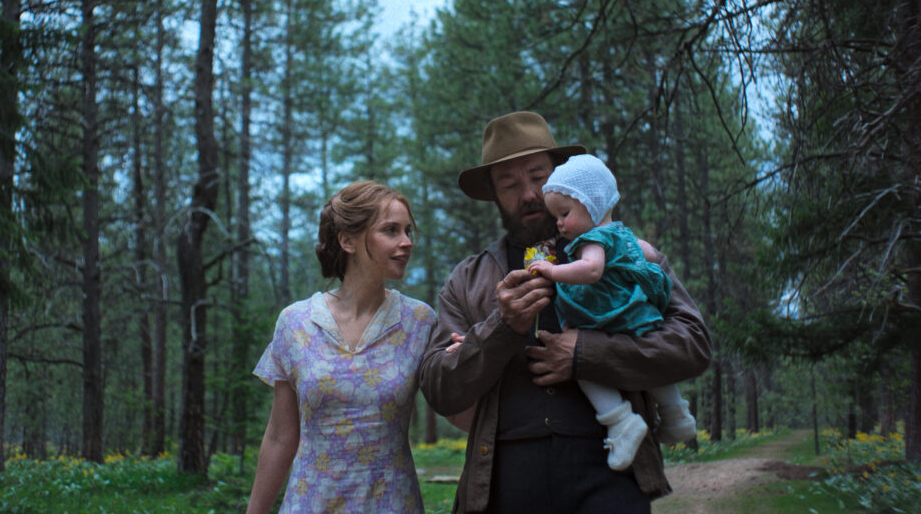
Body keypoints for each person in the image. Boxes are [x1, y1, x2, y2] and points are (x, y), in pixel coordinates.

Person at [419, 111, 711, 514]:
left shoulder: (621, 250)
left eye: (538, 177)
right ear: (494, 194)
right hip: (502, 484)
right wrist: (501, 326)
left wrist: (585, 354)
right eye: (509, 184)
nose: (529, 194)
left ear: (560, 175)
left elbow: (693, 345)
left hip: (611, 476)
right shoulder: (467, 281)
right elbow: (439, 388)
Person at [246, 181, 436, 514]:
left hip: (391, 504)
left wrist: (480, 349)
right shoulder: (296, 323)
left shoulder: (420, 321)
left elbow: (461, 407)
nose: (406, 243)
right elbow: (279, 437)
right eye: (391, 230)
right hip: (310, 504)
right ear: (347, 240)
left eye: (408, 231)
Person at [525, 153, 697, 471]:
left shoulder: (591, 241)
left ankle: (620, 421)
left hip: (605, 316)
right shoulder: (624, 234)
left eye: (564, 213)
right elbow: (648, 255)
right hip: (638, 314)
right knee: (652, 366)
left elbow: (591, 271)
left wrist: (551, 272)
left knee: (582, 363)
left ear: (594, 203)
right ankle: (676, 415)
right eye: (556, 217)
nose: (560, 223)